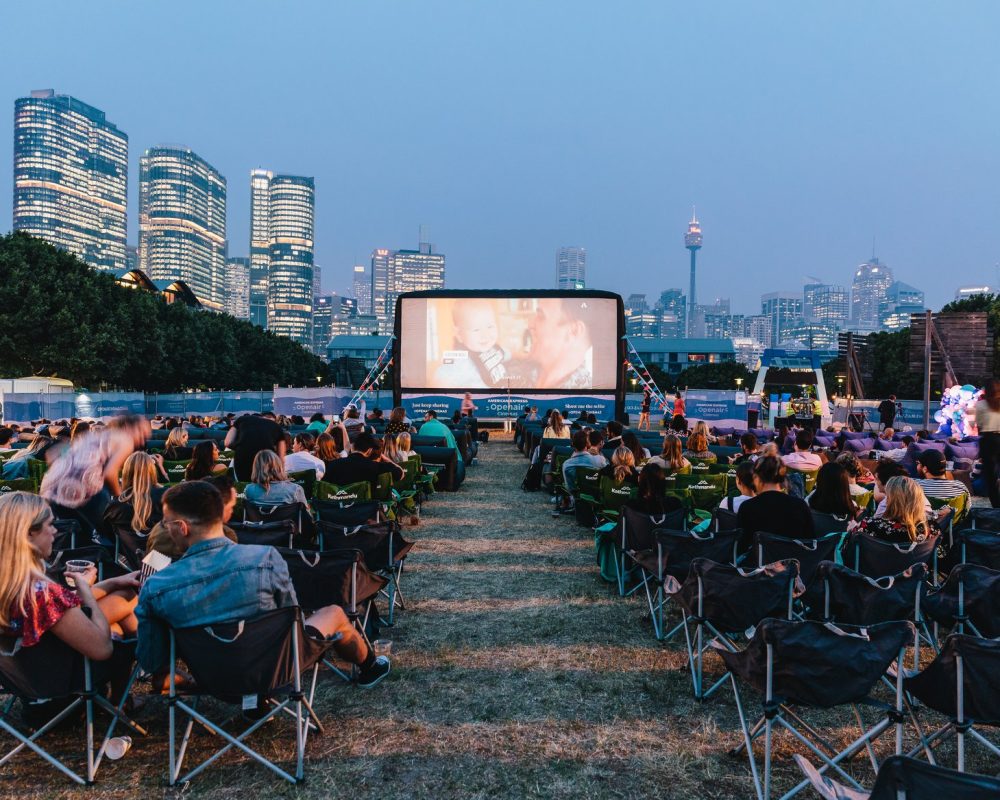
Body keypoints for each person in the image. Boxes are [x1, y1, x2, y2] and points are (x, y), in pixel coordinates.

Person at [136, 482, 390, 689]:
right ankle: (370, 667)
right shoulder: (264, 559)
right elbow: (291, 617)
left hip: (209, 675)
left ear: (182, 527)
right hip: (274, 669)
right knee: (334, 613)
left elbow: (152, 660)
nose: (165, 529)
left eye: (165, 523)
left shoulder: (156, 585)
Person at [0, 491, 138, 660]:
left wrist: (112, 583)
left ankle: (160, 671)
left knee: (124, 595)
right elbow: (103, 649)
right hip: (64, 673)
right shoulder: (44, 593)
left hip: (27, 675)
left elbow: (59, 604)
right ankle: (157, 668)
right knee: (123, 611)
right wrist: (85, 590)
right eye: (50, 524)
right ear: (28, 533)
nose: (55, 531)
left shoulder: (17, 584)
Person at [41, 414, 152, 538]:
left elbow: (52, 454)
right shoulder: (126, 440)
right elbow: (110, 473)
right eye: (141, 434)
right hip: (80, 491)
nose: (142, 441)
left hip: (50, 489)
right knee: (111, 531)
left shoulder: (97, 435)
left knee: (78, 534)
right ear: (127, 426)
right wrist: (120, 499)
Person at [736, 455, 815, 549]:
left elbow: (741, 546)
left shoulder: (747, 507)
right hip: (796, 561)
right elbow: (811, 542)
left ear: (756, 478)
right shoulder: (800, 505)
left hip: (758, 562)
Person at [434, 299, 511, 388]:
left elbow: (506, 354)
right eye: (476, 330)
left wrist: (523, 355)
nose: (485, 335)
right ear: (459, 334)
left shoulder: (493, 349)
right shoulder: (459, 359)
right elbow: (440, 379)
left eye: (490, 326)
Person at [527, 297, 595, 389]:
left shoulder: (584, 398)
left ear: (574, 331)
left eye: (541, 316)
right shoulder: (519, 372)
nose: (530, 325)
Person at [856, 476, 937, 546]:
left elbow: (850, 552)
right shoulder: (930, 527)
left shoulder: (870, 525)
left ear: (890, 500)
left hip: (877, 563)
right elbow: (940, 556)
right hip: (919, 563)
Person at [104, 451, 167, 535]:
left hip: (129, 548)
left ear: (125, 473)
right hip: (160, 547)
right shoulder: (166, 498)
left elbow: (106, 533)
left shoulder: (115, 506)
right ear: (152, 471)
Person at [323, 432, 405, 491]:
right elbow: (401, 474)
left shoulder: (333, 464)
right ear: (369, 451)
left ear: (352, 448)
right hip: (365, 512)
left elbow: (324, 487)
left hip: (336, 511)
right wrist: (387, 459)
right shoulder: (375, 466)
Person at [224, 412, 286, 482]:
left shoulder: (242, 419)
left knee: (243, 485)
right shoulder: (277, 427)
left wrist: (240, 445)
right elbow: (281, 458)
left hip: (242, 461)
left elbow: (227, 442)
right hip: (266, 465)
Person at [245, 450, 310, 506]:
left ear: (256, 469)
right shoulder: (295, 489)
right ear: (278, 466)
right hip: (287, 520)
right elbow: (306, 517)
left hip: (260, 520)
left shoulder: (249, 490)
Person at [975, 379, 1000, 507]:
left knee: (990, 476)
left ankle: (996, 505)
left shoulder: (981, 405)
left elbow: (978, 425)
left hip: (988, 440)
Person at [561, 430, 608, 496]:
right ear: (588, 444)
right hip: (595, 497)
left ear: (573, 444)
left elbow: (569, 488)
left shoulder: (567, 464)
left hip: (577, 498)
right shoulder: (600, 460)